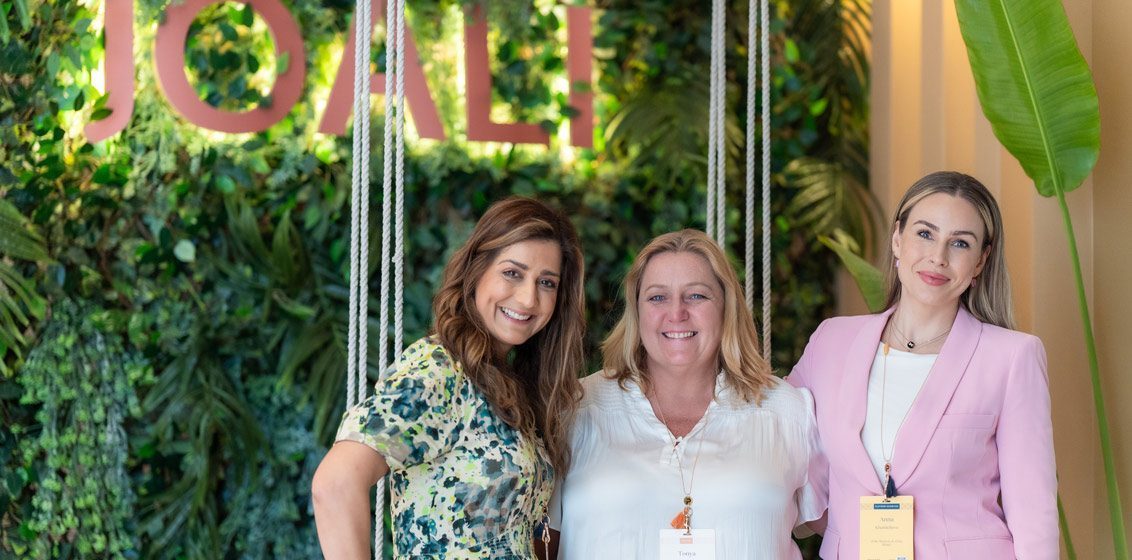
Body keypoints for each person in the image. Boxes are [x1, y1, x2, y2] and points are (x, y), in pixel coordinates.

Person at [788, 171, 1057, 559]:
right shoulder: (832, 341)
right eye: (925, 234)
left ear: (980, 260)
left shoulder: (1012, 357)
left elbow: (1033, 511)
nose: (938, 257)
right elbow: (779, 438)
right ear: (898, 239)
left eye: (960, 243)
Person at [311, 197, 585, 559]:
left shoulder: (511, 387)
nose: (528, 298)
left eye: (546, 282)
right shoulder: (439, 370)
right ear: (476, 271)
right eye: (512, 273)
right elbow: (335, 483)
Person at [550, 229, 825, 559]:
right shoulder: (576, 408)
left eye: (696, 296)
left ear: (726, 307)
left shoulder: (787, 410)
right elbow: (538, 541)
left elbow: (843, 529)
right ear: (636, 311)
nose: (677, 313)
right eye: (657, 297)